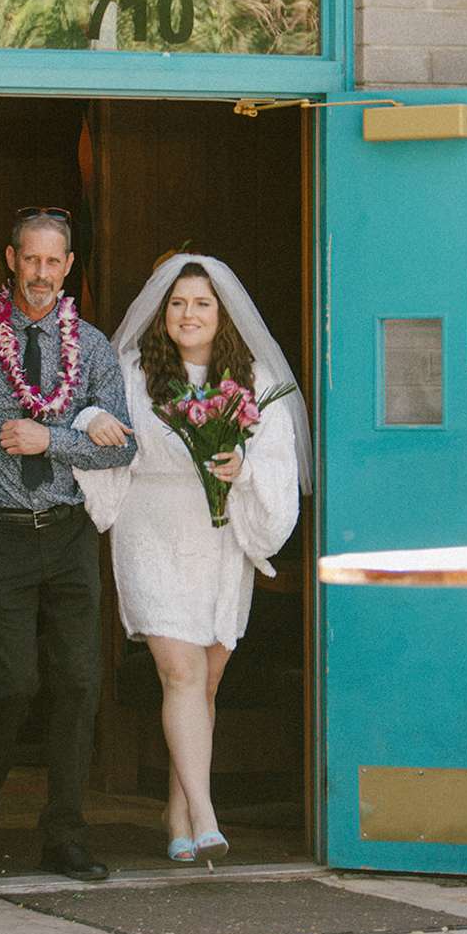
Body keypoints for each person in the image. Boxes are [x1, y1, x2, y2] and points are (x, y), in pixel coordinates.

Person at [73, 253, 312, 865]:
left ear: (222, 313)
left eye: (202, 303)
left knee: (205, 681)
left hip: (221, 534)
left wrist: (244, 467)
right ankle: (206, 814)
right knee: (179, 672)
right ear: (162, 312)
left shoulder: (253, 377)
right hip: (151, 527)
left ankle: (176, 812)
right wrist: (94, 419)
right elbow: (88, 411)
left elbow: (277, 455)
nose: (188, 314)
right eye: (177, 303)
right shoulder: (133, 371)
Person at [0, 206, 136, 883]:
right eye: (30, 259)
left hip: (68, 535)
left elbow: (123, 446)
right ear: (11, 260)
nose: (40, 273)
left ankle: (64, 833)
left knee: (78, 683)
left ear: (68, 267)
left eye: (53, 261)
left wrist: (52, 441)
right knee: (8, 684)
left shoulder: (91, 348)